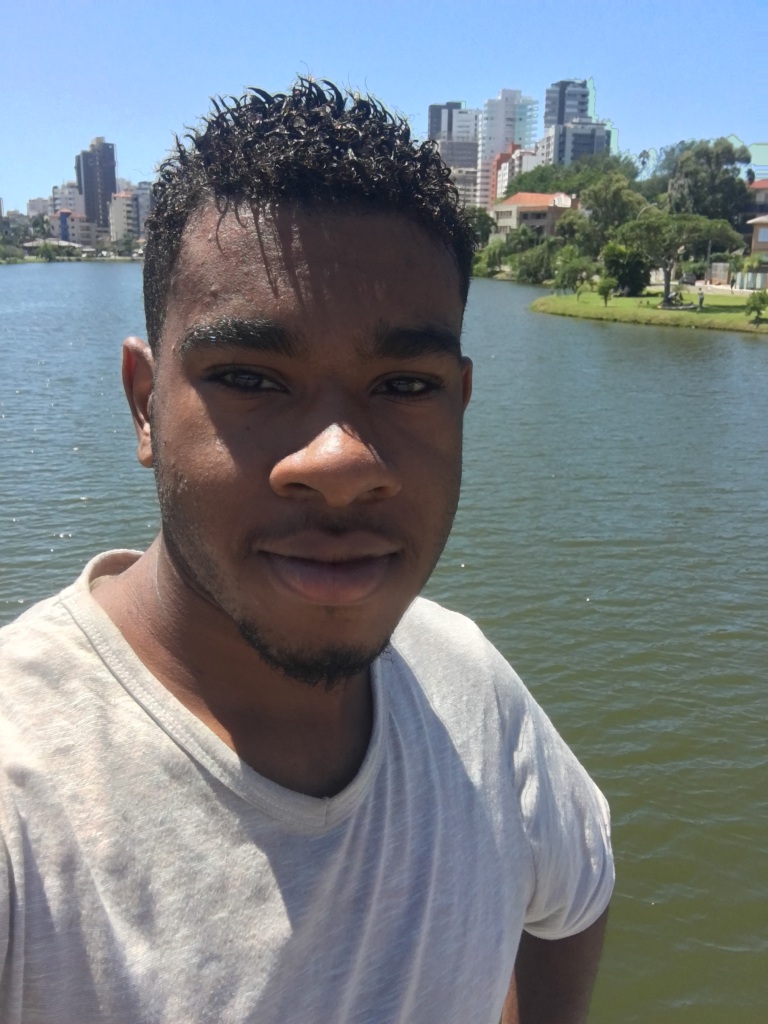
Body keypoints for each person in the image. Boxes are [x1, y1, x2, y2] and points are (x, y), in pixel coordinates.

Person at [0, 80, 613, 1023]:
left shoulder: (472, 687)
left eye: (404, 385)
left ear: (460, 404)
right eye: (250, 377)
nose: (339, 464)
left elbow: (577, 895)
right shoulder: (24, 795)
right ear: (145, 404)